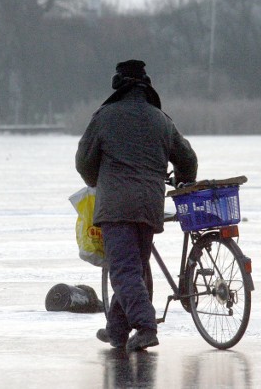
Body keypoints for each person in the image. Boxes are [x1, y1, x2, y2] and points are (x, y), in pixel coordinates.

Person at [75, 59, 198, 352]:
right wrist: (181, 182)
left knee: (123, 270)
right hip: (149, 206)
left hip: (117, 206)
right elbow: (188, 159)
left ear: (119, 86)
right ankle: (116, 330)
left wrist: (96, 181)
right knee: (135, 267)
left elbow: (83, 161)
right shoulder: (161, 119)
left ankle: (145, 326)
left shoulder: (104, 117)